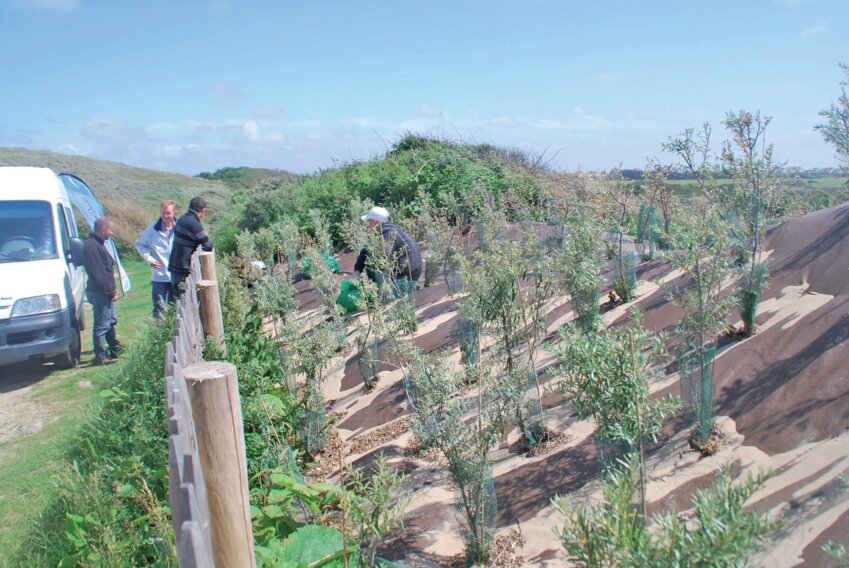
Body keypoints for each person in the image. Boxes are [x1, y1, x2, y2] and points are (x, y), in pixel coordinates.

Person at [353, 206, 422, 300]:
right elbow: (366, 250)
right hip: (411, 273)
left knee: (373, 264)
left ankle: (386, 295)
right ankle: (404, 288)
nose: (368, 225)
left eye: (369, 221)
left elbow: (383, 258)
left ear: (376, 222)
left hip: (406, 276)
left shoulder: (388, 233)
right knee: (371, 257)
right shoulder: (388, 229)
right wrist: (357, 269)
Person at [83, 216, 121, 365]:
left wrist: (113, 289)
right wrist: (110, 291)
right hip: (100, 292)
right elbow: (99, 273)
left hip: (105, 290)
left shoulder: (97, 244)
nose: (111, 233)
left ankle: (113, 348)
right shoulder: (91, 246)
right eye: (110, 230)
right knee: (102, 324)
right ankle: (100, 355)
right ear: (103, 229)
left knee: (110, 321)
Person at [134, 200, 177, 318]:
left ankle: (173, 334)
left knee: (176, 307)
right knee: (159, 308)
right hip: (159, 275)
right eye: (163, 213)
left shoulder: (180, 229)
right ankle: (159, 334)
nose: (165, 216)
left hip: (176, 274)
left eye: (168, 213)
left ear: (174, 213)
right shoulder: (152, 229)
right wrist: (149, 259)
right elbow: (139, 244)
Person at [168, 196, 213, 295]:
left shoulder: (182, 220)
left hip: (175, 268)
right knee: (184, 297)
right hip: (182, 272)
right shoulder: (193, 224)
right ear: (203, 210)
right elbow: (209, 245)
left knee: (179, 300)